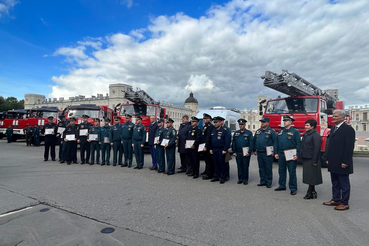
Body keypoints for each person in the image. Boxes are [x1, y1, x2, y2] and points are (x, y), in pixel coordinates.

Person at [323, 110, 355, 211]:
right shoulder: (333, 129)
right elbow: (330, 145)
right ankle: (336, 199)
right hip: (333, 161)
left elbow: (349, 147)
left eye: (336, 116)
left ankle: (344, 203)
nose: (333, 118)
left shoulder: (348, 129)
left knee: (344, 183)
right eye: (333, 116)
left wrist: (346, 161)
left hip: (342, 162)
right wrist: (327, 158)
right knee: (335, 182)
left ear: (343, 117)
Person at [275, 115, 301, 195]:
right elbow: (276, 143)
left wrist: (297, 154)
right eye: (284, 121)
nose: (284, 122)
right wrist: (276, 152)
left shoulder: (295, 132)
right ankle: (282, 185)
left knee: (292, 172)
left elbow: (298, 144)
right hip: (281, 154)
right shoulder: (280, 132)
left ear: (290, 122)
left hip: (291, 154)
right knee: (281, 171)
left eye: (286, 121)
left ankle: (293, 188)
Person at [300, 118, 322, 199]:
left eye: (307, 125)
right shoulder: (306, 134)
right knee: (309, 176)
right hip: (306, 157)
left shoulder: (316, 135)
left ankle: (310, 192)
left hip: (312, 159)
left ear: (312, 126)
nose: (305, 127)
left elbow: (317, 148)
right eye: (305, 125)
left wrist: (314, 160)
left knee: (311, 176)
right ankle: (313, 191)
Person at [253, 117, 277, 188]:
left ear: (267, 123)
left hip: (268, 153)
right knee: (261, 168)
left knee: (268, 168)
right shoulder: (258, 131)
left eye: (263, 122)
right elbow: (254, 141)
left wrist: (274, 151)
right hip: (259, 153)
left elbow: (275, 142)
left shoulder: (271, 132)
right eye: (261, 122)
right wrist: (254, 150)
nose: (262, 123)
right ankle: (262, 181)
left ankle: (269, 182)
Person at [232, 119, 254, 185]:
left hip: (245, 152)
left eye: (242, 124)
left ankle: (245, 179)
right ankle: (240, 179)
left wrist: (249, 152)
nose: (241, 126)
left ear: (245, 125)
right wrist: (234, 151)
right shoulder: (236, 133)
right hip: (238, 152)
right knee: (239, 166)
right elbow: (234, 143)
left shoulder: (249, 133)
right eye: (240, 124)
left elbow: (251, 143)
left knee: (245, 166)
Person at [210, 116, 231, 184]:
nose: (215, 123)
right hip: (214, 149)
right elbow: (211, 140)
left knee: (222, 164)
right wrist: (210, 148)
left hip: (221, 149)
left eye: (216, 122)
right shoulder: (213, 130)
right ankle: (216, 176)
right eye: (214, 122)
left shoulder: (224, 131)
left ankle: (222, 177)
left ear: (220, 123)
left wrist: (225, 149)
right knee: (215, 163)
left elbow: (227, 141)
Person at [201, 113, 215, 180]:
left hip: (208, 146)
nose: (204, 120)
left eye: (205, 118)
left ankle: (209, 174)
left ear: (209, 119)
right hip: (204, 145)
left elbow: (208, 137)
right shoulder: (205, 126)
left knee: (209, 161)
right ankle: (206, 171)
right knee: (206, 160)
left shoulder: (210, 127)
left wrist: (206, 146)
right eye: (204, 118)